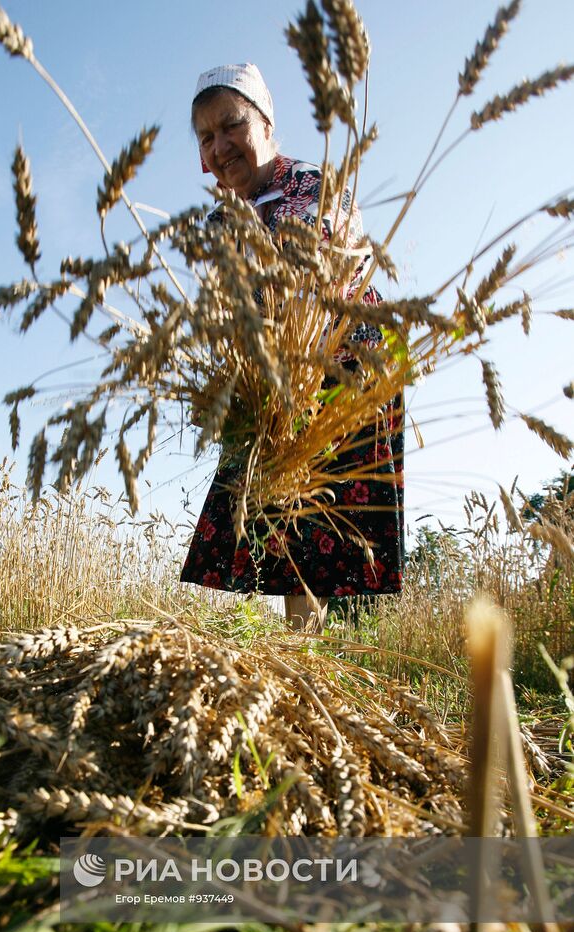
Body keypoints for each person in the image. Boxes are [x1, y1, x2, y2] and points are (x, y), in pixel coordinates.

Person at [180, 63, 404, 632]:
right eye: (207, 137)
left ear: (265, 122)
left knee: (317, 520)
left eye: (231, 126)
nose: (220, 145)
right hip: (276, 380)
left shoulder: (309, 183)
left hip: (350, 367)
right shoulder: (217, 222)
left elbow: (320, 286)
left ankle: (307, 656)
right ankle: (301, 649)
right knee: (273, 510)